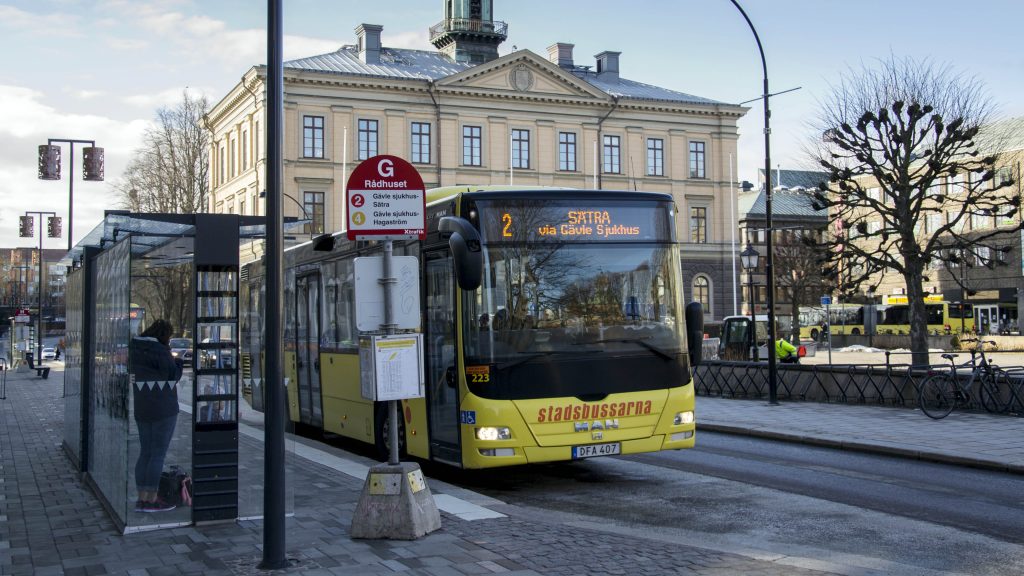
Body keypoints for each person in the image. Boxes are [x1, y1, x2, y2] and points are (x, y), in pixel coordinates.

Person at [130, 319, 183, 513]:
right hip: (164, 409)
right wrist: (178, 362)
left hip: (142, 407)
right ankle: (152, 500)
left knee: (145, 452)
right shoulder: (161, 351)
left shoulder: (135, 348)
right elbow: (172, 375)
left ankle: (141, 498)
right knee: (157, 455)